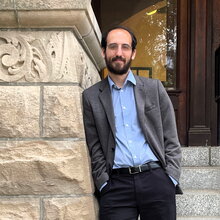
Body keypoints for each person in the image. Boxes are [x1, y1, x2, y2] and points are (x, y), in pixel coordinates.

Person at [82, 26, 182, 220]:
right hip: (116, 187)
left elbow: (171, 136)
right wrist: (103, 182)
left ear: (133, 53)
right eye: (113, 47)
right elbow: (94, 145)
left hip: (156, 180)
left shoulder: (154, 88)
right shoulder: (91, 96)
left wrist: (170, 177)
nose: (119, 53)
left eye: (125, 47)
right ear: (104, 52)